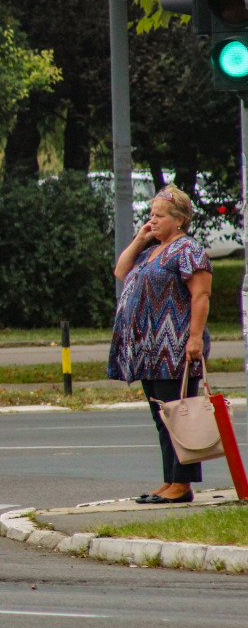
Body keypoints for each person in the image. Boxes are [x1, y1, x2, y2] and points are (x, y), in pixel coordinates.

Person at [107, 184, 212, 505]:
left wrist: (195, 338)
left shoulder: (188, 250)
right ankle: (170, 480)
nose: (152, 220)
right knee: (162, 417)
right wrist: (141, 237)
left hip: (175, 347)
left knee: (179, 416)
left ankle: (182, 486)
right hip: (150, 351)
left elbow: (201, 295)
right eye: (150, 215)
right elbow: (121, 270)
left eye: (159, 216)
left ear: (179, 219)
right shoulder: (151, 249)